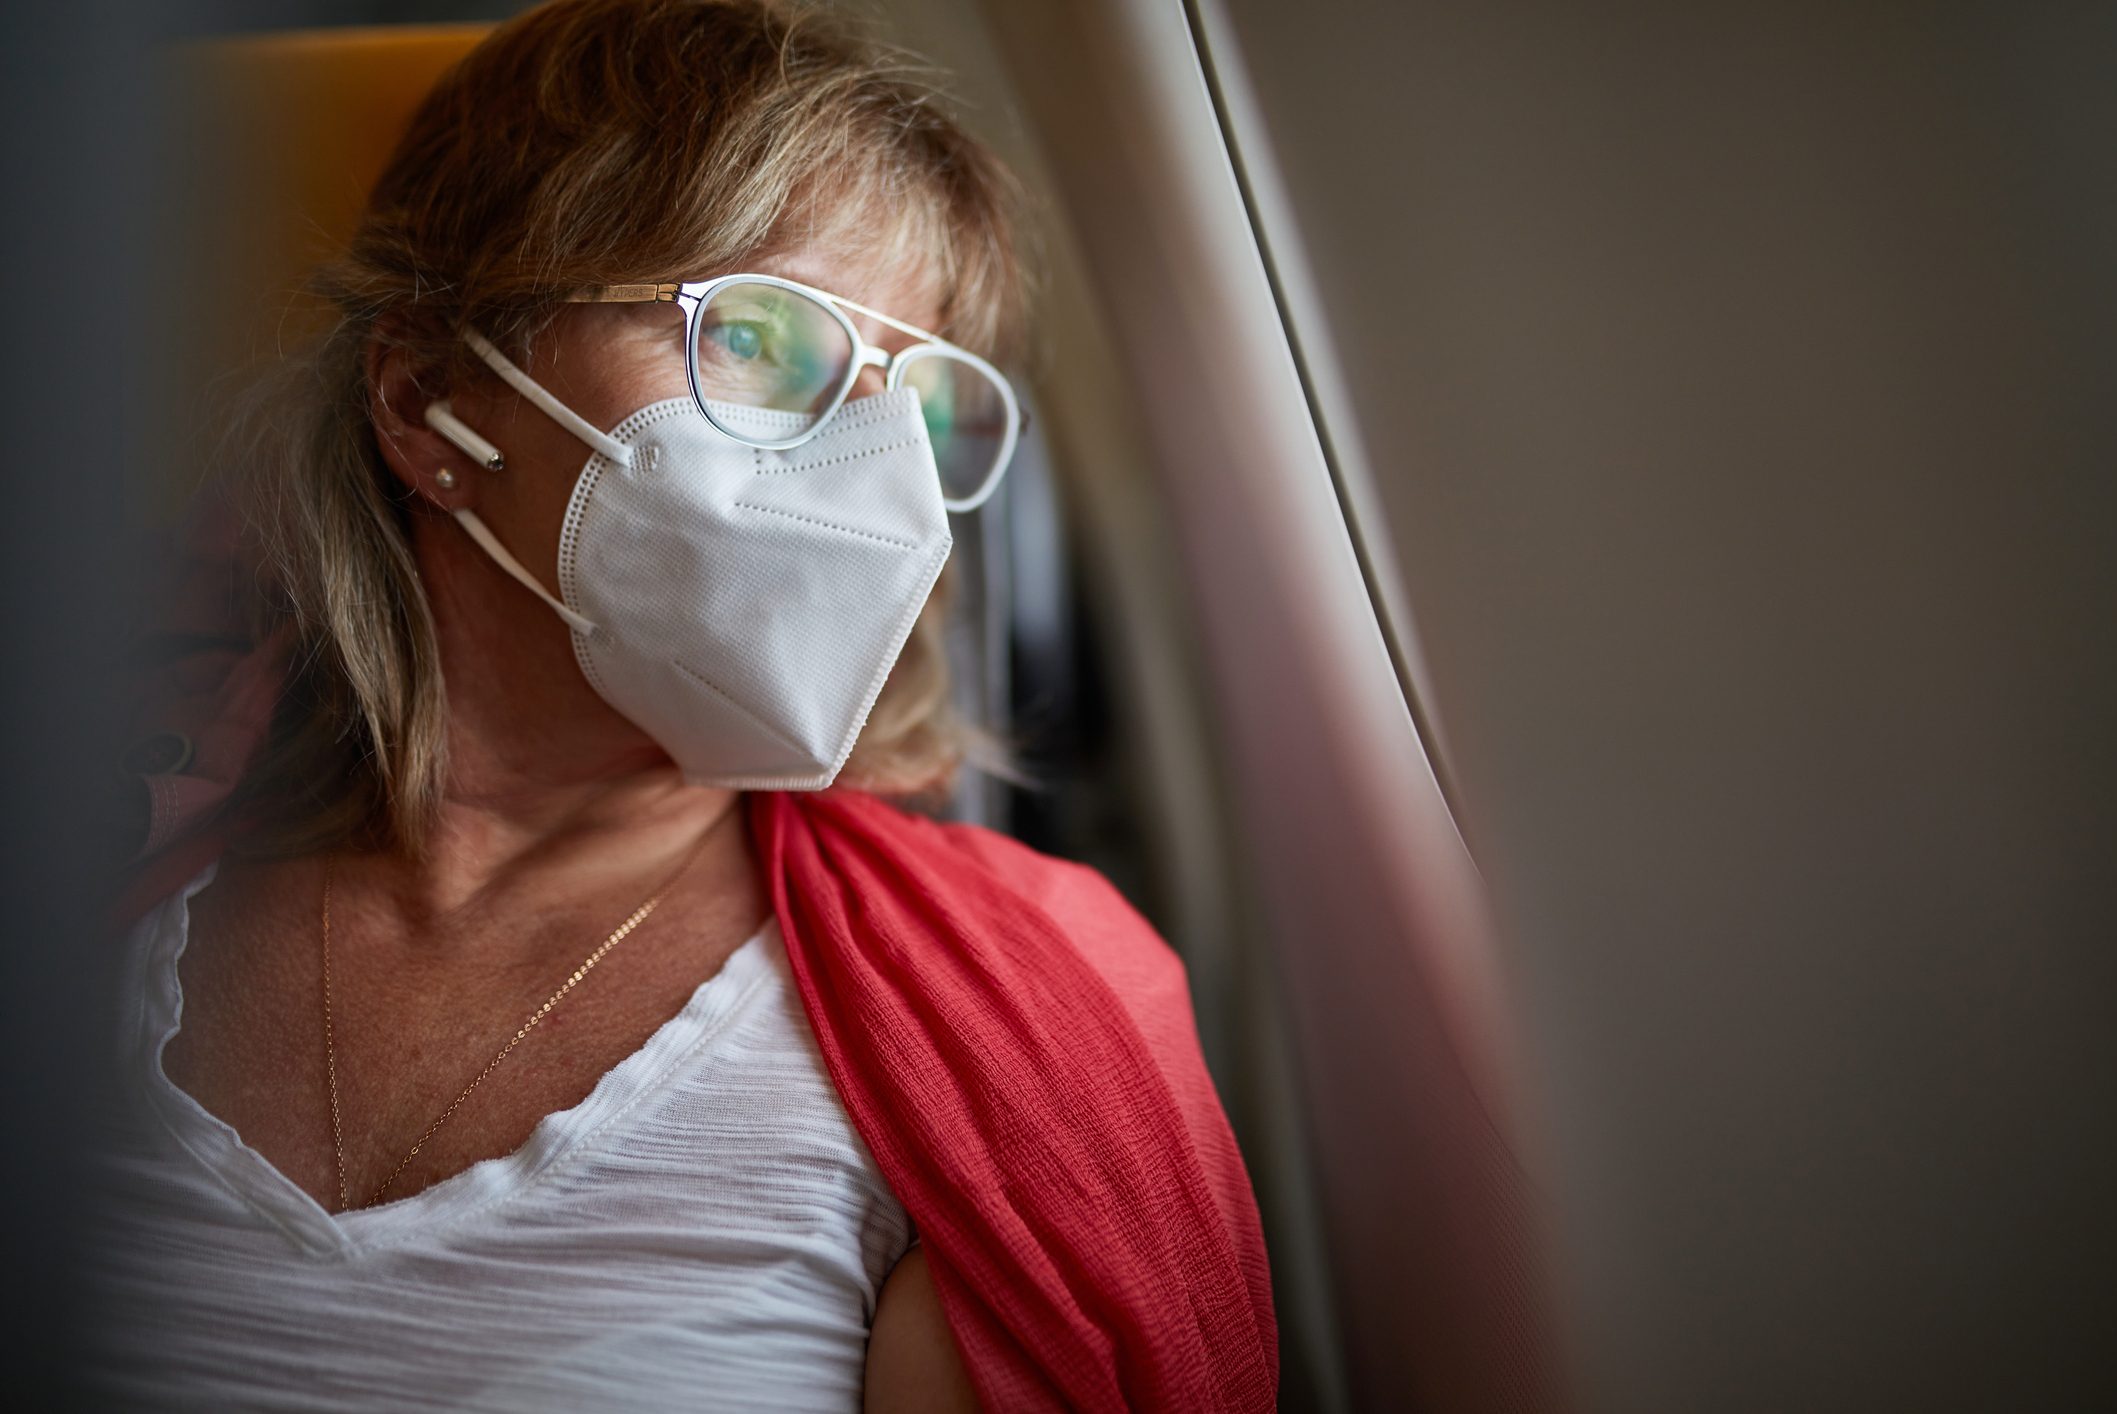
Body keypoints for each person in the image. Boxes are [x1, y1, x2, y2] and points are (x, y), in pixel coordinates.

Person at [82, 1, 1276, 1410]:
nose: (877, 471)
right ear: (430, 403)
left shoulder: (1006, 1023)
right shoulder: (84, 885)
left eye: (923, 401)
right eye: (766, 343)